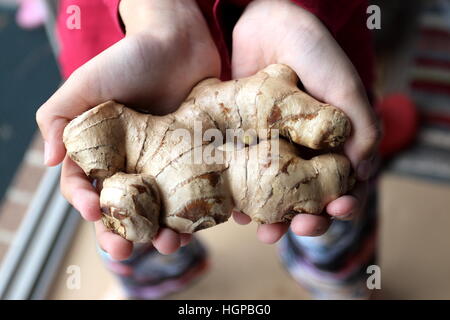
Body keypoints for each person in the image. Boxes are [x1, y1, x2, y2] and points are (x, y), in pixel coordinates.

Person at [36, 0, 381, 299]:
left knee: (336, 208)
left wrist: (287, 8)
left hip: (307, 58)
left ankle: (342, 289)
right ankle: (154, 285)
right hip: (131, 63)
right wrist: (154, 13)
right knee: (125, 235)